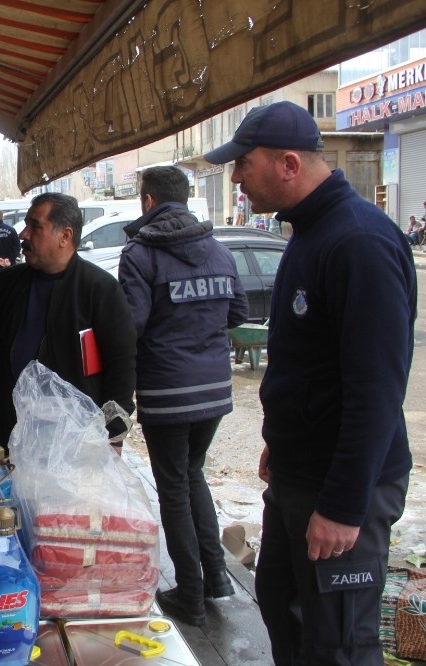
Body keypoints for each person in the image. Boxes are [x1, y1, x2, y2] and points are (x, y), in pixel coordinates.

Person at [205, 101, 415, 665]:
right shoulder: (310, 233)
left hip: (341, 487)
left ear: (289, 164)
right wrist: (283, 441)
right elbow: (309, 363)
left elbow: (376, 390)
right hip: (301, 474)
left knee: (337, 644)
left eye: (243, 164)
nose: (236, 178)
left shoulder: (358, 241)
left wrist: (344, 505)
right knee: (283, 609)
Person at [117, 166, 250, 626]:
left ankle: (190, 593)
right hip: (213, 390)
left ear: (148, 201)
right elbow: (238, 311)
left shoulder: (140, 254)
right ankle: (215, 578)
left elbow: (132, 325)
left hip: (167, 390)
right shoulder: (218, 249)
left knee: (173, 487)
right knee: (192, 475)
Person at [0, 192, 137, 448]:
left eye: (35, 226)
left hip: (72, 436)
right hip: (11, 427)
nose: (23, 234)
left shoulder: (99, 289)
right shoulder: (8, 282)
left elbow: (121, 364)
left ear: (65, 236)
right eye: (26, 224)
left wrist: (114, 435)